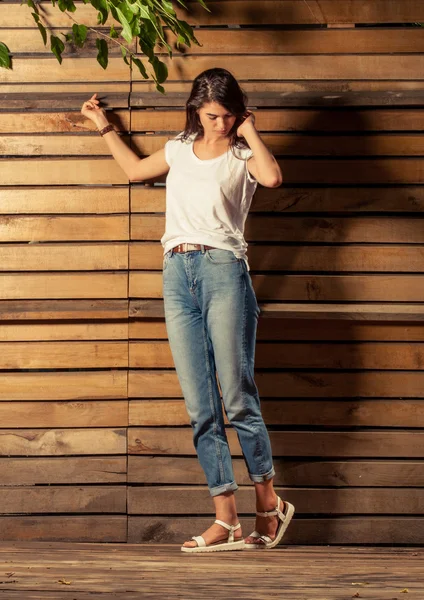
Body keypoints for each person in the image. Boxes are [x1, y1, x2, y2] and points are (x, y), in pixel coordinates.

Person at [81, 67, 295, 553]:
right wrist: (103, 125)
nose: (218, 123)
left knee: (237, 396)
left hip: (224, 271)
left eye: (226, 116)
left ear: (238, 114)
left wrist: (249, 130)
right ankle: (227, 518)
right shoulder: (179, 148)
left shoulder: (243, 153)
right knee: (201, 406)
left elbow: (274, 177)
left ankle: (269, 502)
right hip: (177, 274)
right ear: (196, 111)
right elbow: (135, 171)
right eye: (210, 115)